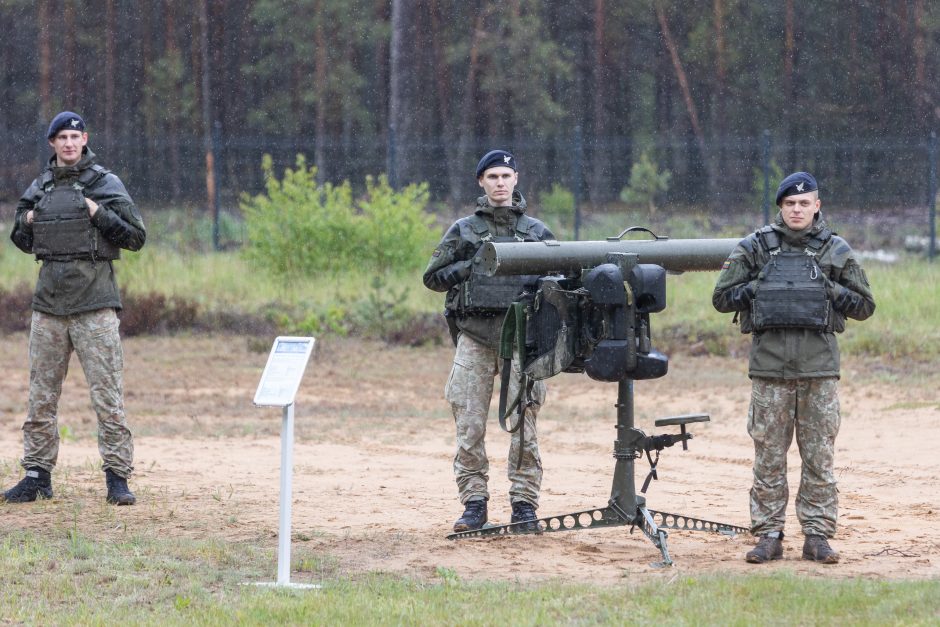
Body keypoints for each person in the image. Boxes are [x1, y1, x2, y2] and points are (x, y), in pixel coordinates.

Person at [713, 171, 875, 564]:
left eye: (805, 203)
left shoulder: (835, 250)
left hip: (818, 371)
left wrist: (828, 288)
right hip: (770, 371)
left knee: (819, 457)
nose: (797, 209)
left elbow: (865, 305)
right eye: (790, 204)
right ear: (780, 208)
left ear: (817, 206)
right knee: (768, 456)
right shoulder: (754, 248)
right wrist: (758, 287)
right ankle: (768, 534)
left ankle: (817, 536)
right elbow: (721, 298)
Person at [4, 111, 146, 505]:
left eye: (75, 136)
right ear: (52, 143)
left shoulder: (104, 184)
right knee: (41, 398)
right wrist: (30, 220)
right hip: (48, 306)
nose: (69, 143)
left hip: (95, 305)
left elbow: (136, 236)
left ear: (85, 140)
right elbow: (19, 235)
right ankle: (36, 475)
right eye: (61, 137)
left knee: (107, 397)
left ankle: (117, 479)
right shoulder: (41, 186)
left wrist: (97, 213)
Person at [423, 149, 555, 532]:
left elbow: (562, 281)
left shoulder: (537, 232)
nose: (500, 183)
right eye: (492, 177)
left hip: (522, 342)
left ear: (516, 181)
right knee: (469, 423)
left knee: (525, 425)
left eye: (506, 176)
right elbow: (433, 277)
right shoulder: (463, 231)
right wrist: (471, 266)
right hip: (476, 338)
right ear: (481, 182)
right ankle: (474, 504)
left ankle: (525, 505)